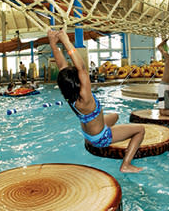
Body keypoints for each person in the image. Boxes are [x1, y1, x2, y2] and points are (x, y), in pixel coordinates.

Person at [48, 28, 145, 173]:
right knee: (140, 130)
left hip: (88, 134)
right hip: (100, 138)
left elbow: (62, 66)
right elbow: (81, 68)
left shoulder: (70, 96)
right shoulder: (85, 97)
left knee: (116, 116)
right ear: (78, 81)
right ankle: (126, 165)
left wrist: (53, 44)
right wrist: (65, 40)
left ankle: (108, 134)